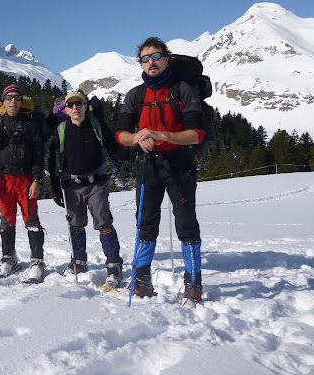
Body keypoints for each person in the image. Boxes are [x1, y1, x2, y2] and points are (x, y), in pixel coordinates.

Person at [116, 37, 206, 306]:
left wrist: (161, 134)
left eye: (155, 56)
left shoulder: (183, 90)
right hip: (147, 165)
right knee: (145, 223)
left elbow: (196, 134)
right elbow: (120, 134)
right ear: (140, 64)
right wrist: (137, 139)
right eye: (145, 58)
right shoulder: (135, 95)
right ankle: (141, 280)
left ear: (167, 58)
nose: (150, 62)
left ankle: (193, 284)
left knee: (186, 223)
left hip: (180, 163)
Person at [49, 90, 125, 289]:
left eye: (79, 103)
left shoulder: (97, 125)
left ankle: (114, 265)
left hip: (96, 182)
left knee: (103, 221)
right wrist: (55, 188)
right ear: (66, 108)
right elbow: (52, 161)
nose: (75, 107)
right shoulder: (61, 130)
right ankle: (79, 261)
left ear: (85, 106)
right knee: (75, 223)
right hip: (71, 185)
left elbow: (114, 147)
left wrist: (131, 157)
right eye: (71, 104)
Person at [0, 84, 45, 282]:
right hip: (3, 180)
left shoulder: (30, 125)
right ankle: (8, 258)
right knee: (6, 219)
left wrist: (37, 180)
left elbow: (38, 156)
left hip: (26, 180)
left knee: (31, 220)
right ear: (3, 102)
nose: (13, 102)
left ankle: (37, 261)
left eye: (17, 98)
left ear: (21, 101)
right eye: (9, 98)